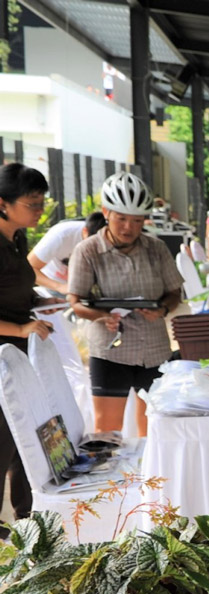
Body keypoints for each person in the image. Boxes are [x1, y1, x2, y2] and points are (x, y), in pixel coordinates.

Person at [67, 172, 182, 437]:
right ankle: (112, 480)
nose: (128, 227)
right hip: (109, 351)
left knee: (154, 428)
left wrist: (162, 309)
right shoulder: (88, 251)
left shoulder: (157, 248)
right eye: (121, 218)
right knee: (107, 431)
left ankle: (150, 479)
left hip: (153, 349)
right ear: (106, 212)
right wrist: (100, 316)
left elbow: (175, 292)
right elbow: (75, 302)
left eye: (137, 221)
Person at [0, 163, 56, 518]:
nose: (39, 211)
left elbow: (13, 290)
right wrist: (19, 329)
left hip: (21, 353)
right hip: (4, 352)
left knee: (27, 439)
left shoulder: (18, 238)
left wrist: (40, 302)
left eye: (41, 203)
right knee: (2, 443)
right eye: (31, 203)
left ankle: (29, 519)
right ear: (3, 203)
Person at [25, 212, 105, 294]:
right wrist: (59, 287)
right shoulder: (60, 236)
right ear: (85, 231)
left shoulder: (115, 237)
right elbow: (28, 268)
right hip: (56, 287)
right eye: (92, 243)